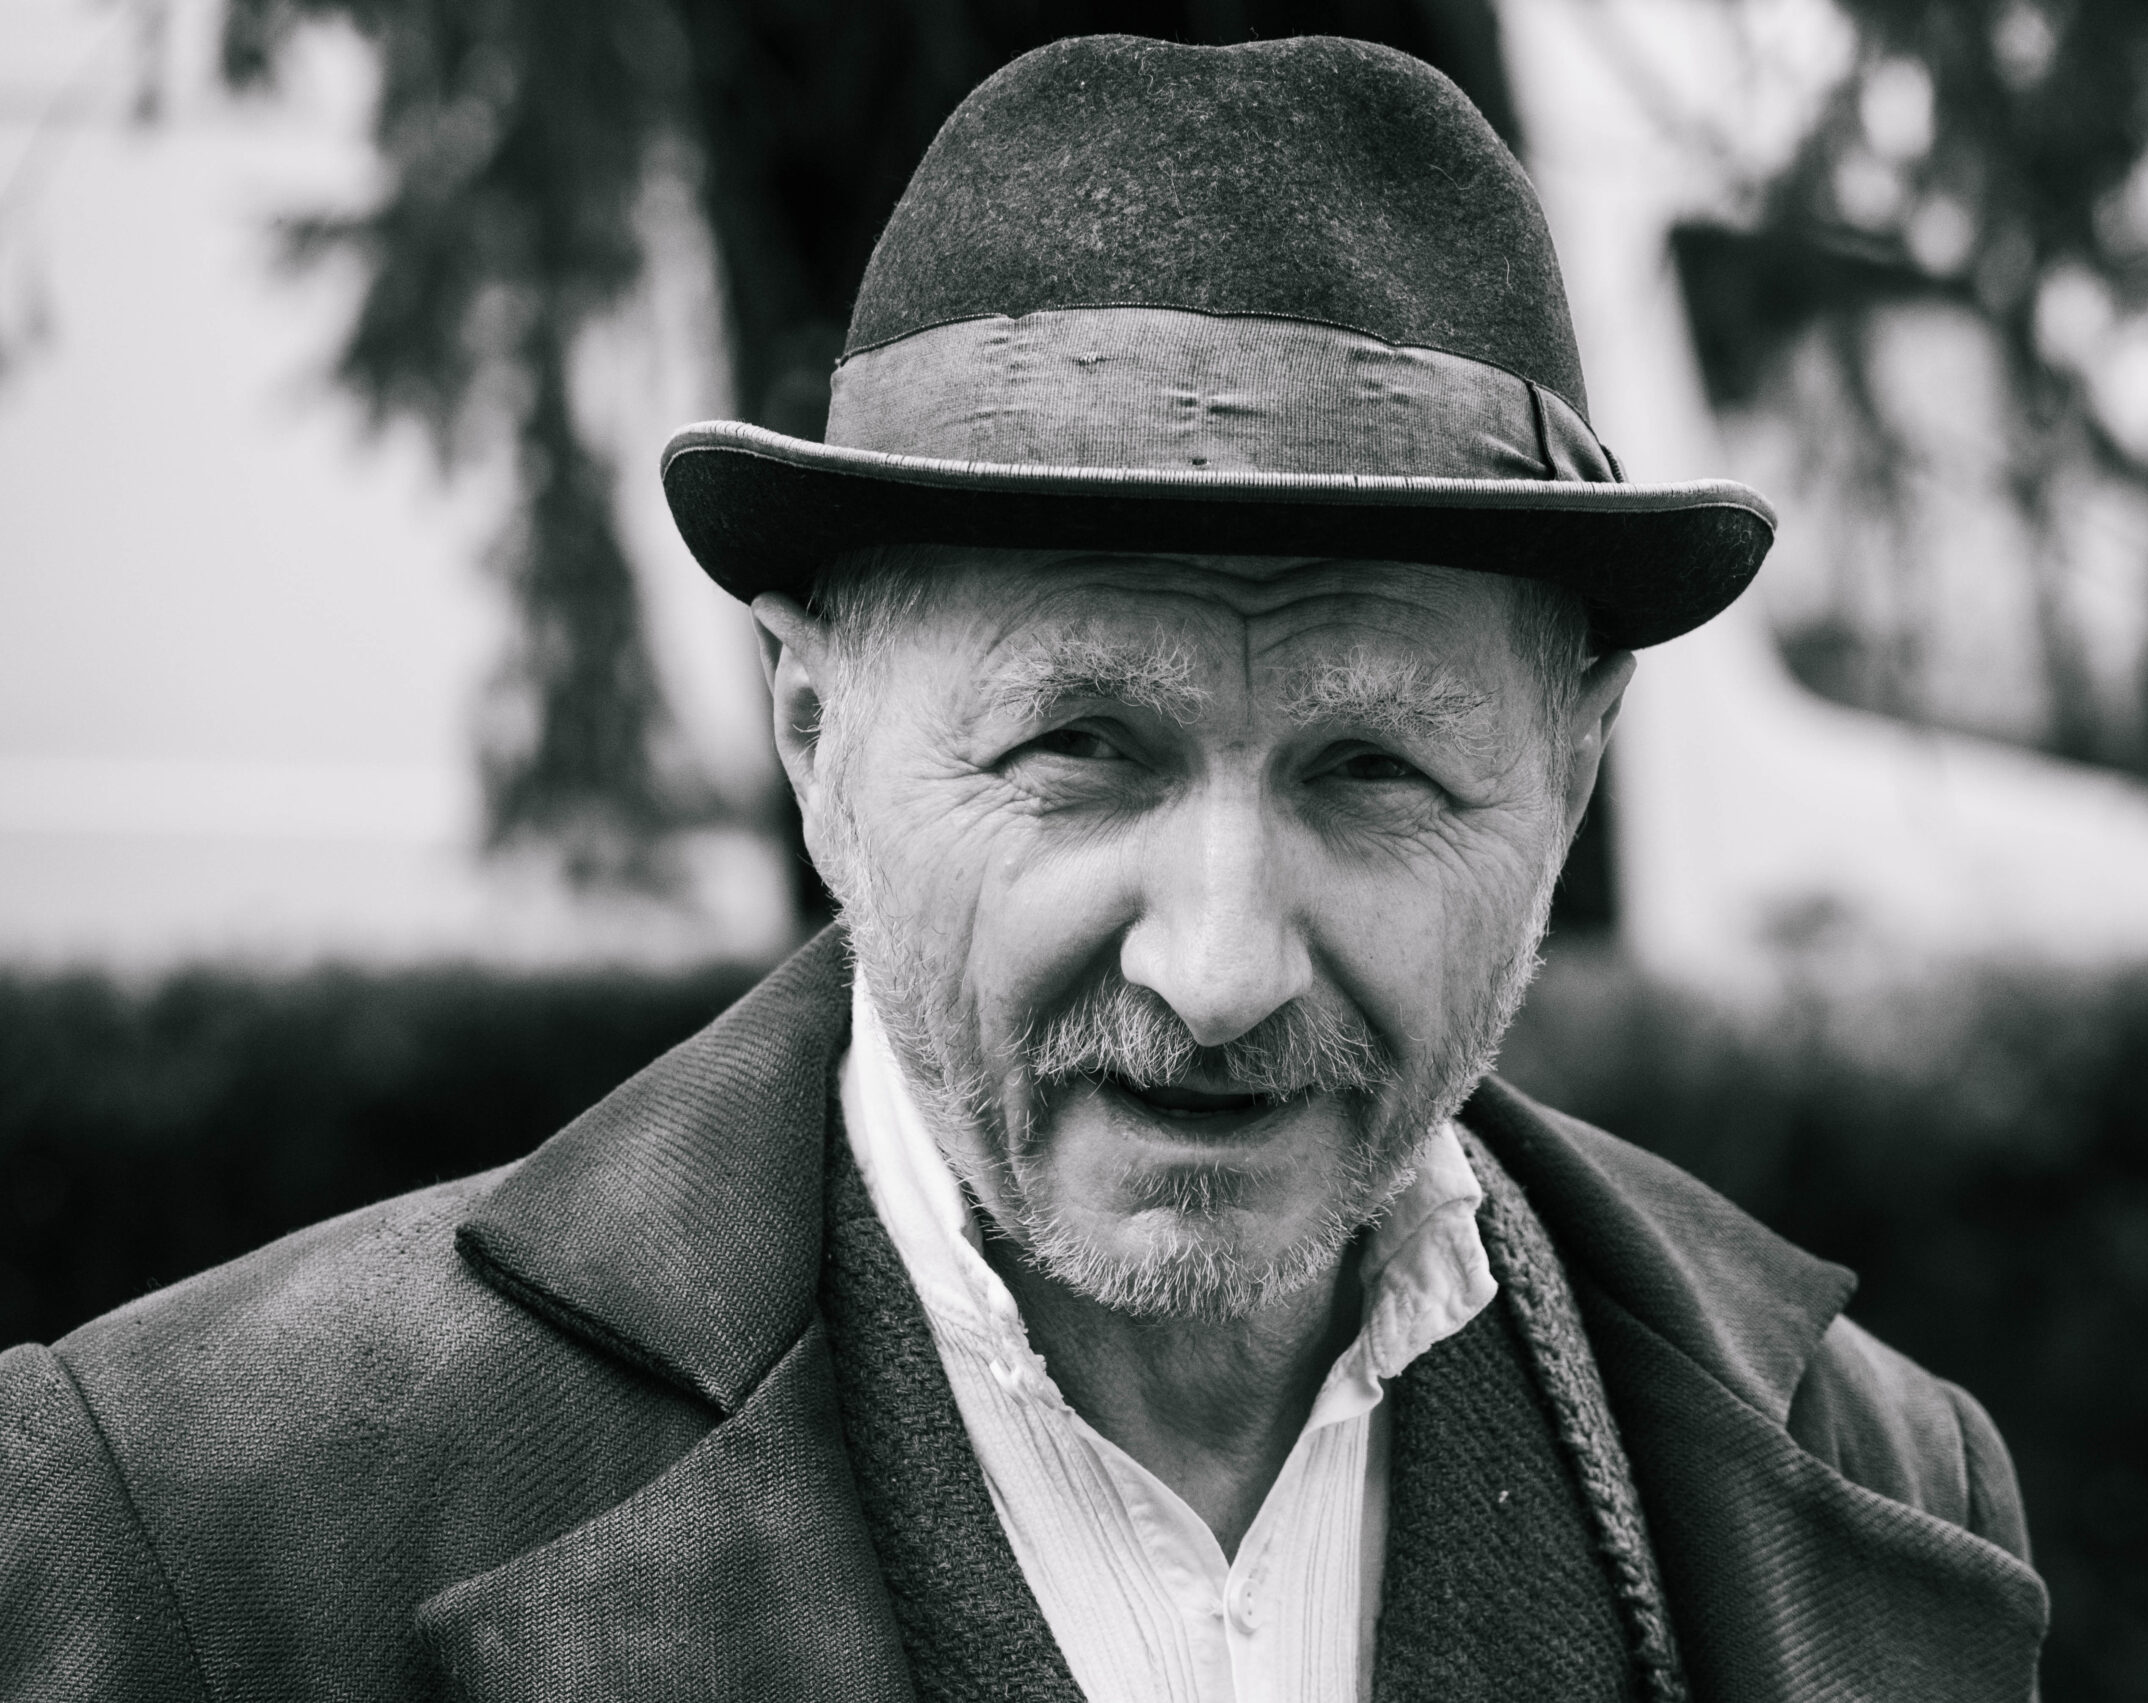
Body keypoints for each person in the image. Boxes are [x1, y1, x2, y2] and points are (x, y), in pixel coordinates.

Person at [0, 33, 2045, 1703]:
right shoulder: (195, 1531)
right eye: (1080, 751)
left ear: (1567, 774)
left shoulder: (1867, 1487)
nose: (1221, 967)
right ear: (818, 739)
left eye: (1372, 768)